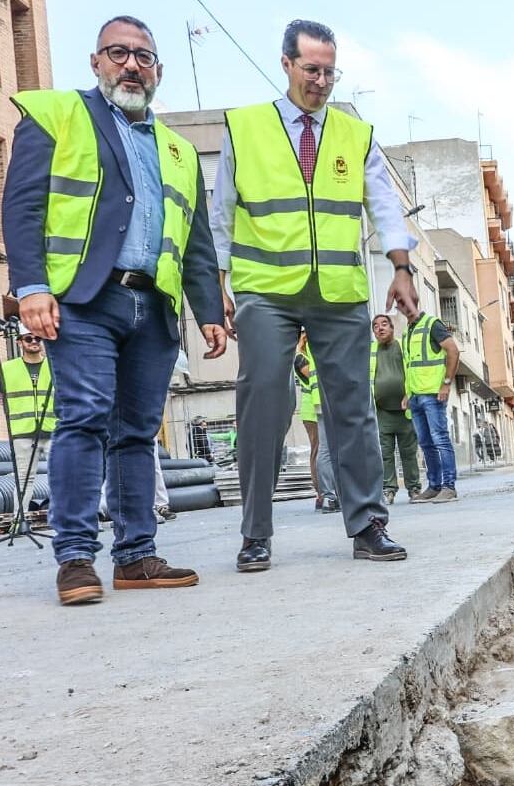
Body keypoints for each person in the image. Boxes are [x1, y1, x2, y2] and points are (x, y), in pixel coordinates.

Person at [2, 15, 226, 605]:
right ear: (96, 62)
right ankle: (76, 559)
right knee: (84, 417)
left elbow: (196, 239)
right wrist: (30, 286)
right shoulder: (58, 116)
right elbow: (22, 206)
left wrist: (207, 310)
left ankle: (135, 556)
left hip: (153, 306)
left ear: (157, 71)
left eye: (143, 57)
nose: (131, 64)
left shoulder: (177, 150)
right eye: (118, 53)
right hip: (83, 298)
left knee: (136, 433)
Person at [212, 19, 414, 572]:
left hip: (339, 291)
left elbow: (385, 207)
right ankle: (255, 533)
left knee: (353, 408)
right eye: (311, 69)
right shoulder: (246, 127)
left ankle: (368, 523)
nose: (321, 81)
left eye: (329, 71)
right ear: (286, 65)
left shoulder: (356, 134)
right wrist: (219, 283)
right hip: (268, 292)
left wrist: (401, 267)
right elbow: (220, 214)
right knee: (263, 404)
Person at [0, 324, 55, 515]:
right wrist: (14, 414)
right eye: (28, 338)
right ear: (19, 342)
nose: (34, 342)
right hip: (22, 432)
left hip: (53, 429)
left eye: (38, 338)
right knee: (24, 478)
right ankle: (19, 520)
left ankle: (66, 521)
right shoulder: (9, 368)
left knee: (61, 476)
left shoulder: (53, 366)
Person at [402, 309, 461, 502]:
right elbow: (410, 366)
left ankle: (449, 486)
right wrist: (407, 394)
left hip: (433, 394)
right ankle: (434, 486)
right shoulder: (408, 332)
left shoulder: (431, 324)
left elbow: (453, 350)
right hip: (416, 396)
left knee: (440, 439)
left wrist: (446, 383)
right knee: (426, 443)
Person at [370, 314, 423, 504]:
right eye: (376, 326)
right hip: (382, 411)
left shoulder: (402, 346)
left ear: (392, 328)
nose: (380, 328)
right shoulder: (371, 351)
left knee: (408, 452)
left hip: (405, 410)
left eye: (384, 324)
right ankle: (389, 490)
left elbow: (412, 370)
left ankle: (414, 489)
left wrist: (410, 393)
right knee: (385, 454)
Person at [294, 332, 339, 512]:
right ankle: (324, 493)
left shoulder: (310, 352)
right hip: (315, 406)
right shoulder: (301, 357)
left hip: (318, 402)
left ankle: (328, 493)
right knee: (321, 450)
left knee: (324, 449)